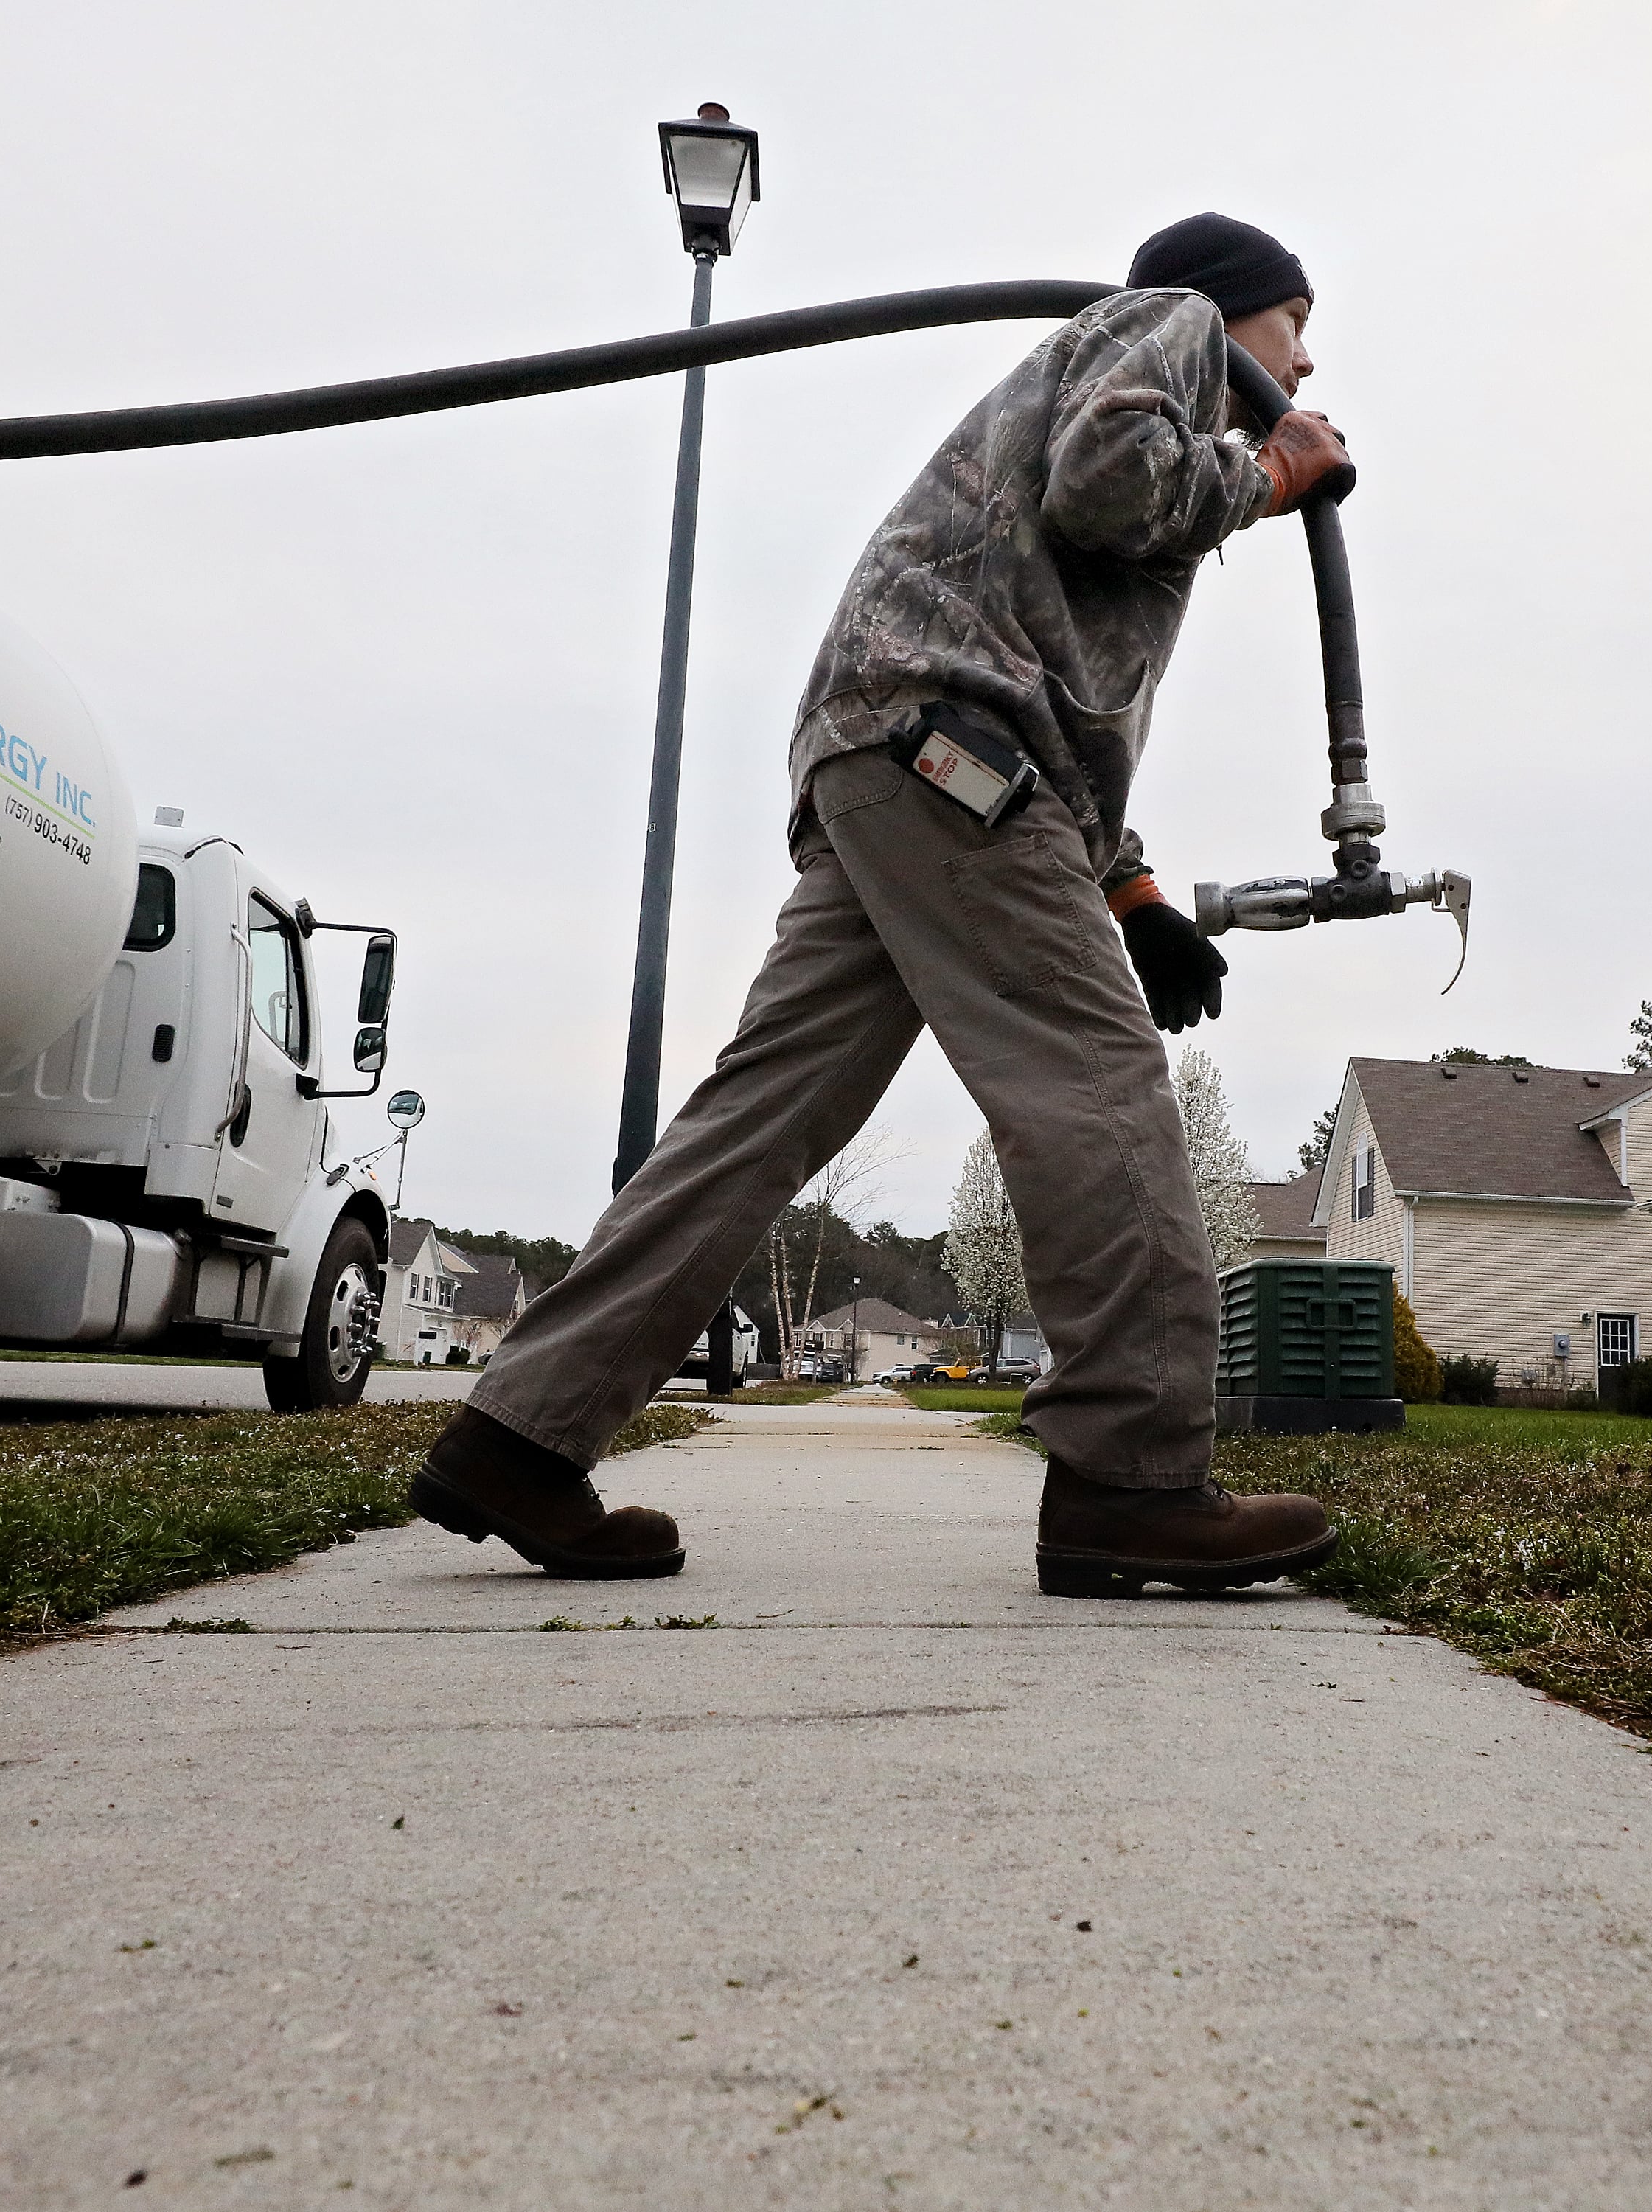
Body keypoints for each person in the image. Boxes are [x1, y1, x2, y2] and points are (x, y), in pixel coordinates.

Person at [413, 214, 1355, 1596]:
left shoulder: (1116, 381)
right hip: (952, 757)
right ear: (1228, 308)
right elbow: (1110, 486)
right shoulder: (1166, 326)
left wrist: (1129, 884)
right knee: (1092, 1085)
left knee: (761, 1114)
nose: (1305, 351)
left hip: (897, 760)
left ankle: (518, 1435)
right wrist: (1273, 467)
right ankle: (1134, 1481)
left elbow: (1040, 654)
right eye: (1294, 321)